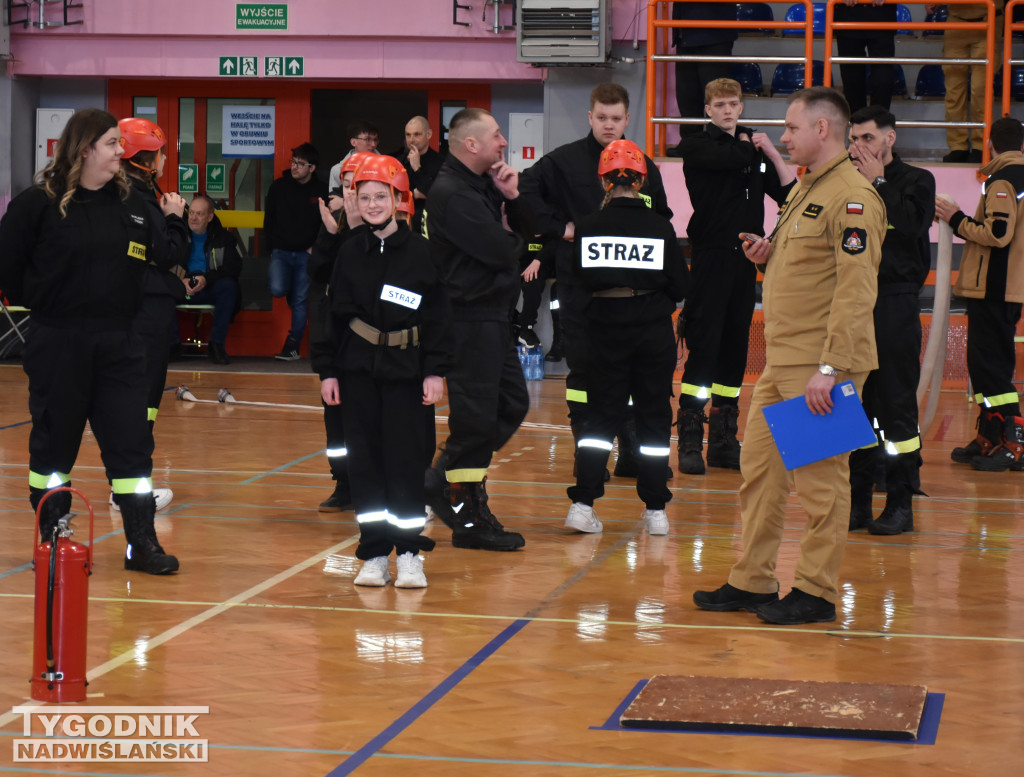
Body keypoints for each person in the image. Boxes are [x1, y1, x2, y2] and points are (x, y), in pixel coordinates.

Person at [693, 87, 885, 625]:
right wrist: (767, 256)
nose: (782, 137)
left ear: (822, 130)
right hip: (783, 359)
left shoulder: (852, 196)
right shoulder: (807, 190)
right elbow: (809, 267)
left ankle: (816, 591)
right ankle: (752, 579)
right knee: (760, 473)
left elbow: (855, 290)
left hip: (820, 363)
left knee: (822, 482)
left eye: (791, 128)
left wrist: (830, 369)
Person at [0, 108, 181, 574]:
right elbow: (10, 268)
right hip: (58, 340)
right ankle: (54, 540)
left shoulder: (133, 205)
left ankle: (141, 543)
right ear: (85, 150)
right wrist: (48, 305)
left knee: (131, 445)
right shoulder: (38, 203)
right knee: (53, 448)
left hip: (120, 342)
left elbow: (161, 255)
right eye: (113, 143)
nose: (122, 152)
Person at [517, 82, 673, 478]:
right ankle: (588, 455)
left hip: (634, 297)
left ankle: (630, 452)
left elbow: (663, 219)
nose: (609, 125)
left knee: (632, 374)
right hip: (582, 292)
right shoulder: (564, 162)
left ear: (626, 118)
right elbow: (523, 191)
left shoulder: (642, 166)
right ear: (590, 117)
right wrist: (560, 228)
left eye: (616, 118)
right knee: (584, 373)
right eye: (601, 118)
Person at [317, 155, 453, 587]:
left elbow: (439, 319)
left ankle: (410, 552)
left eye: (381, 196)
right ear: (354, 201)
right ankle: (374, 552)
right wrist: (327, 372)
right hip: (357, 374)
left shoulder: (423, 254)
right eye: (364, 197)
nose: (372, 204)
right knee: (366, 465)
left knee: (405, 463)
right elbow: (331, 317)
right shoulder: (348, 254)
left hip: (407, 375)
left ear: (398, 199)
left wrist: (435, 371)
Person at [564, 140, 689, 535]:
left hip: (603, 332)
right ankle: (656, 512)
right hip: (652, 332)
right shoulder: (660, 227)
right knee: (653, 418)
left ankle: (582, 504)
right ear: (641, 181)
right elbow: (680, 285)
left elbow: (576, 285)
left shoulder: (586, 227)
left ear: (604, 180)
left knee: (600, 418)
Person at [675, 78, 796, 476]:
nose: (728, 110)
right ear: (708, 110)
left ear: (741, 107)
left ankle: (725, 440)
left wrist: (773, 154)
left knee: (734, 350)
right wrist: (751, 145)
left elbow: (785, 196)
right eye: (720, 104)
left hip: (746, 262)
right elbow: (726, 159)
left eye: (734, 104)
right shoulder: (697, 145)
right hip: (710, 258)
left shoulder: (756, 151)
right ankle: (691, 438)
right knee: (704, 348)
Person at [423, 108, 531, 551]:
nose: (503, 142)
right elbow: (500, 251)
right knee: (476, 419)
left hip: (492, 315)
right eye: (496, 135)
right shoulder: (453, 192)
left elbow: (513, 239)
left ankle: (441, 481)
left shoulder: (479, 185)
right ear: (471, 144)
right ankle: (462, 506)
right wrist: (512, 239)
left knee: (509, 405)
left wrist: (510, 200)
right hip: (467, 319)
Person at [846, 106, 935, 534]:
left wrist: (877, 182)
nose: (858, 146)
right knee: (855, 405)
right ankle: (857, 501)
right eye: (854, 139)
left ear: (889, 139)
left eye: (866, 138)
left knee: (896, 405)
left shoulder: (916, 181)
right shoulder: (843, 181)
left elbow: (912, 223)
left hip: (894, 302)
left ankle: (901, 501)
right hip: (851, 300)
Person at [938, 116, 1024, 471]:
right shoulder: (1012, 176)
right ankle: (990, 433)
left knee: (993, 370)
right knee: (984, 366)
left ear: (990, 144)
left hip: (996, 288)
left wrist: (955, 218)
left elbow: (999, 233)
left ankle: (1012, 442)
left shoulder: (1004, 179)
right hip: (999, 289)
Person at [113, 117, 188, 515]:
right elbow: (168, 253)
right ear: (148, 159)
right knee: (141, 398)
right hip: (147, 310)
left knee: (142, 399)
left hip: (136, 307)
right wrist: (175, 216)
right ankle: (131, 488)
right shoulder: (140, 201)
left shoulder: (126, 195)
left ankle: (130, 484)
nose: (162, 162)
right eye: (160, 154)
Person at [309, 152, 370, 513]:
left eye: (357, 184)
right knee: (336, 421)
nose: (350, 192)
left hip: (374, 343)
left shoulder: (387, 224)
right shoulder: (333, 221)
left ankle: (374, 481)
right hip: (337, 340)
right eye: (346, 183)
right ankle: (343, 483)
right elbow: (317, 272)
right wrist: (331, 234)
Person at [264, 142, 324, 361]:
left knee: (300, 301)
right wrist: (270, 249)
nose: (295, 167)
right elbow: (268, 219)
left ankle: (292, 345)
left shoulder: (320, 191)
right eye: (293, 162)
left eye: (300, 163)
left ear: (312, 168)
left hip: (305, 255)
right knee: (278, 288)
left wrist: (314, 248)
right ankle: (291, 287)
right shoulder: (278, 187)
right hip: (281, 252)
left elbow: (326, 224)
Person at [932, 0, 1005, 163]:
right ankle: (958, 146)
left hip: (989, 18)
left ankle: (981, 144)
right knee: (954, 89)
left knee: (981, 89)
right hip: (956, 21)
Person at [182, 194, 244, 365]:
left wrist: (206, 279)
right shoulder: (178, 234)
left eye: (199, 214)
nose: (193, 218)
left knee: (229, 286)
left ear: (210, 217)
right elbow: (164, 262)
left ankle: (216, 345)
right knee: (158, 286)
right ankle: (171, 345)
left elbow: (234, 268)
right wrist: (181, 280)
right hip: (182, 287)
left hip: (209, 286)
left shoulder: (223, 238)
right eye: (191, 213)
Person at [670, 2, 736, 141]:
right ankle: (691, 144)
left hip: (715, 34)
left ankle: (719, 144)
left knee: (717, 97)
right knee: (686, 97)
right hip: (685, 34)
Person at [833, 0, 896, 115]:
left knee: (883, 79)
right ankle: (857, 126)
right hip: (847, 18)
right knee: (851, 80)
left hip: (882, 18)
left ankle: (879, 124)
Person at [396, 115, 445, 234]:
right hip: (401, 225)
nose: (412, 139)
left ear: (428, 134)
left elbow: (437, 195)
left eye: (417, 134)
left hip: (429, 229)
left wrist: (417, 168)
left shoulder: (441, 163)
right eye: (408, 135)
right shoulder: (398, 162)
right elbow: (392, 195)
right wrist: (414, 194)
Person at [328, 120, 380, 191]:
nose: (373, 144)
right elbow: (334, 200)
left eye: (375, 140)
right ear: (353, 142)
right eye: (367, 139)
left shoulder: (386, 166)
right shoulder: (338, 170)